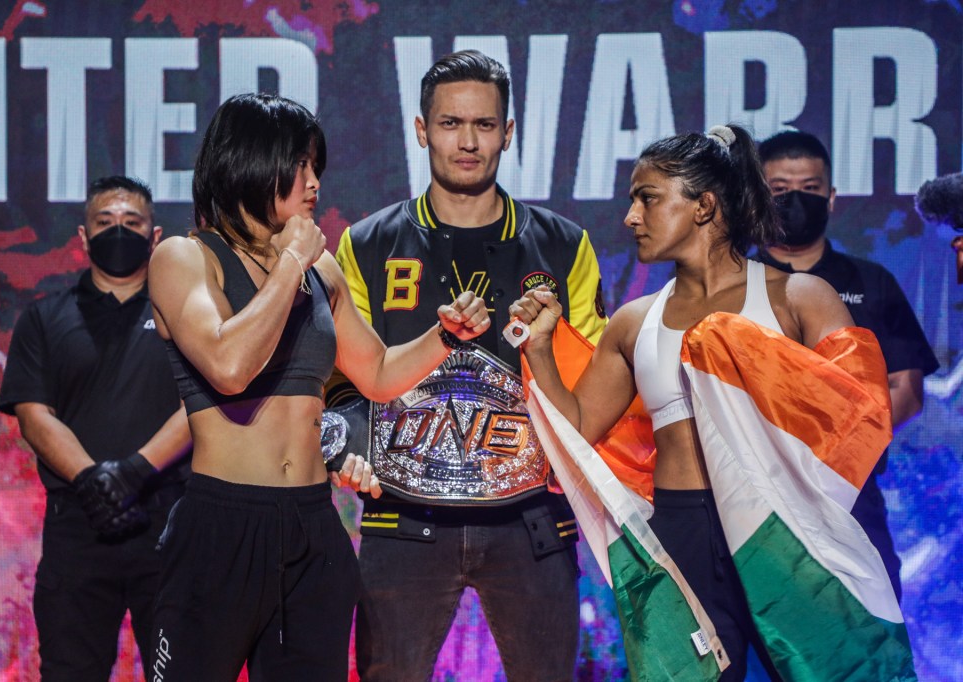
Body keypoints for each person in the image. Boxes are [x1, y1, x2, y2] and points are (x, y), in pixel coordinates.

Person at [510, 125, 911, 680]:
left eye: (646, 198)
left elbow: (860, 416)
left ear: (703, 206)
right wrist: (541, 350)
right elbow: (578, 426)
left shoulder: (797, 298)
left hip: (785, 531)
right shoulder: (634, 322)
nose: (630, 216)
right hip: (682, 533)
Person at [145, 93, 490, 682]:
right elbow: (228, 366)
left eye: (315, 168)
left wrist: (446, 336)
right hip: (220, 525)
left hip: (311, 524)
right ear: (251, 165)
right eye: (299, 166)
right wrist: (287, 265)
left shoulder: (321, 268)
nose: (313, 184)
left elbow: (378, 375)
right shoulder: (183, 258)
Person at [333, 50, 607, 681]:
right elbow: (343, 380)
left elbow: (596, 387)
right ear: (422, 130)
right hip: (401, 518)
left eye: (484, 125)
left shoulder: (564, 245)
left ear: (508, 133)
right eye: (451, 124)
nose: (467, 141)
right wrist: (347, 444)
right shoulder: (367, 243)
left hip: (531, 520)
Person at [0, 176, 192, 680]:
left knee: (184, 670)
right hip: (76, 530)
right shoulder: (44, 317)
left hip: (167, 524)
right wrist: (92, 481)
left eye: (132, 223)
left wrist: (133, 473)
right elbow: (34, 413)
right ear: (83, 237)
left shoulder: (188, 313)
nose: (118, 231)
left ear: (155, 236)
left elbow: (202, 404)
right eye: (105, 223)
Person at [756, 130, 939, 601]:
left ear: (831, 197)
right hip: (753, 496)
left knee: (868, 635)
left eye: (811, 188)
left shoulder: (871, 281)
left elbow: (906, 387)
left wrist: (838, 447)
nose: (796, 199)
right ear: (756, 196)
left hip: (851, 494)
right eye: (779, 190)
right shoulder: (727, 283)